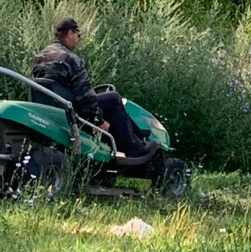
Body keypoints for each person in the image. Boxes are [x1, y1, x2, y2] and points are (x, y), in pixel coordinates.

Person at [31, 18, 157, 159]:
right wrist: (98, 119)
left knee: (106, 101)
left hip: (51, 109)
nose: (79, 39)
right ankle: (134, 147)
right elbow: (85, 96)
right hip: (72, 111)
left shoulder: (40, 56)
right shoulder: (70, 58)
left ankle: (134, 136)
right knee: (113, 98)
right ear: (70, 33)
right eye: (78, 35)